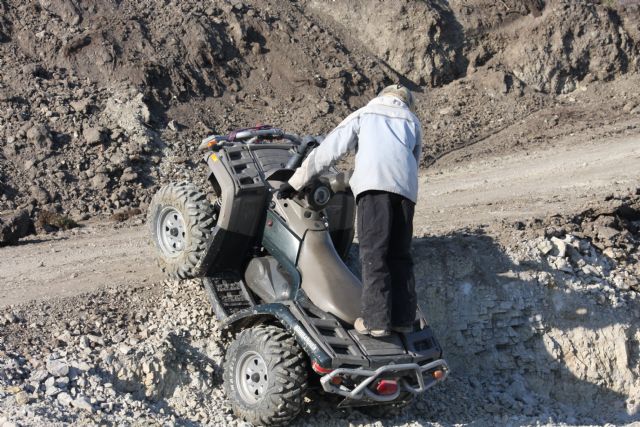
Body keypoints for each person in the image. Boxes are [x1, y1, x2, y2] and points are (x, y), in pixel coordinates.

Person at [280, 84, 422, 337]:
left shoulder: (365, 114)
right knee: (400, 255)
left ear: (381, 97)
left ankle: (375, 321)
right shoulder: (412, 121)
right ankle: (402, 319)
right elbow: (412, 161)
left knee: (374, 253)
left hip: (374, 191)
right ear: (406, 102)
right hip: (406, 193)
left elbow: (328, 151)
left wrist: (295, 182)